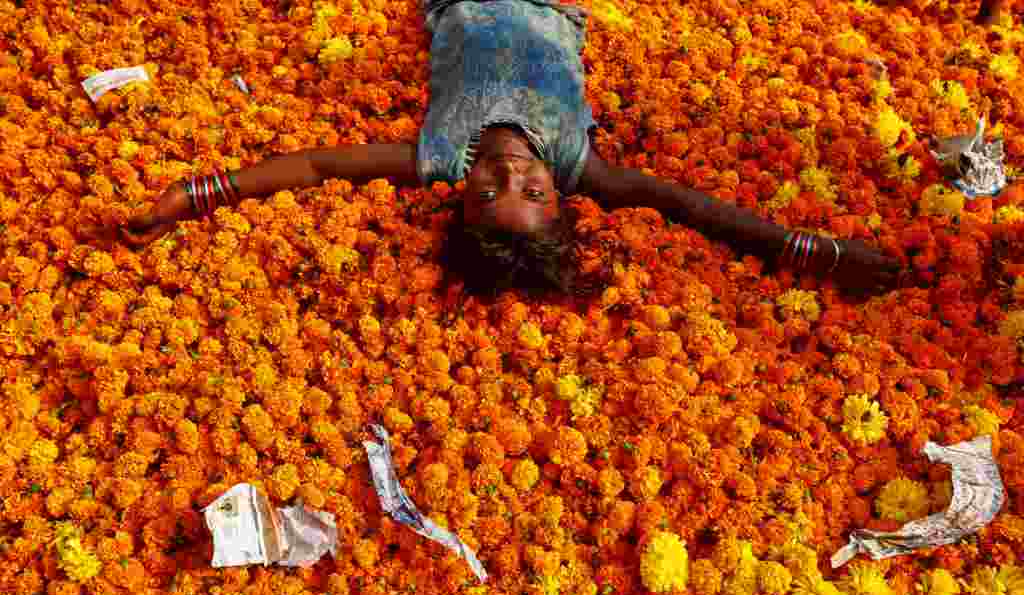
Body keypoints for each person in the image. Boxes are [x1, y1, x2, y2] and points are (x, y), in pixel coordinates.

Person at [123, 0, 903, 297]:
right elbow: (690, 206)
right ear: (560, 197)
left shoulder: (437, 154)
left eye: (495, 194)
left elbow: (319, 166)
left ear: (461, 197)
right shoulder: (577, 162)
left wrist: (197, 195)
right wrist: (822, 253)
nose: (514, 174)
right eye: (534, 195)